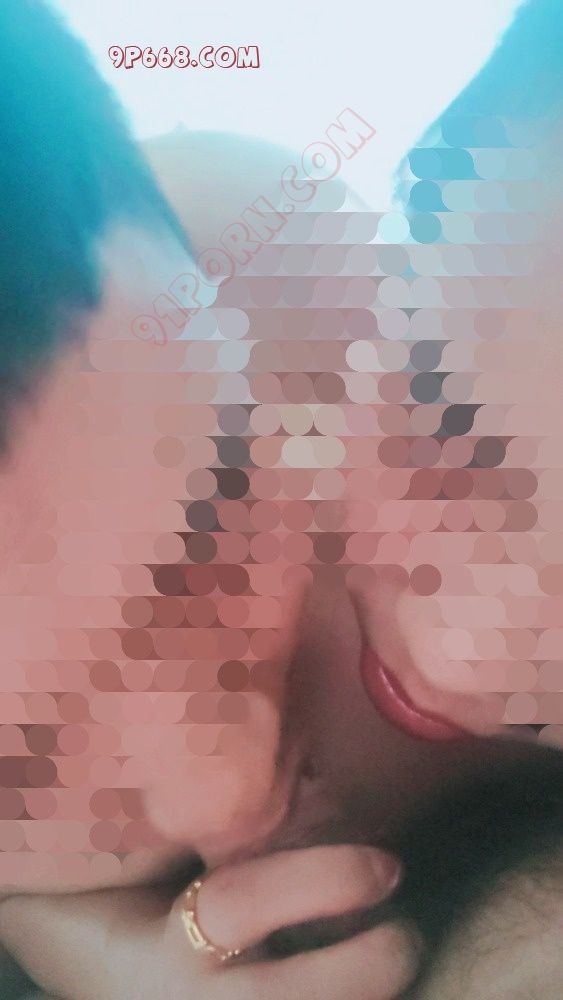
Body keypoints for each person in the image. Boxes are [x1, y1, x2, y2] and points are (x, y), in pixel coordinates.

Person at [0, 0, 563, 997]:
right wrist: (73, 937)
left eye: (207, 532)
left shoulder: (237, 265)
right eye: (27, 761)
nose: (453, 655)